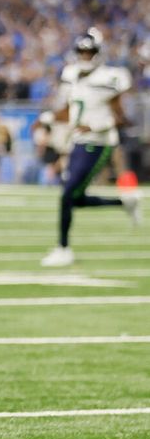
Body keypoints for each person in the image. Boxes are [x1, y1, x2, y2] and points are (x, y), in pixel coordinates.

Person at [41, 28, 142, 268]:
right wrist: (47, 118)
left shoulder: (111, 77)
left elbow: (124, 118)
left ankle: (63, 249)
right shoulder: (70, 74)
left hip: (98, 143)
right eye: (82, 52)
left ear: (98, 52)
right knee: (74, 199)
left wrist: (96, 125)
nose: (85, 56)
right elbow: (69, 110)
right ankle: (124, 203)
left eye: (89, 52)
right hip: (78, 141)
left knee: (67, 195)